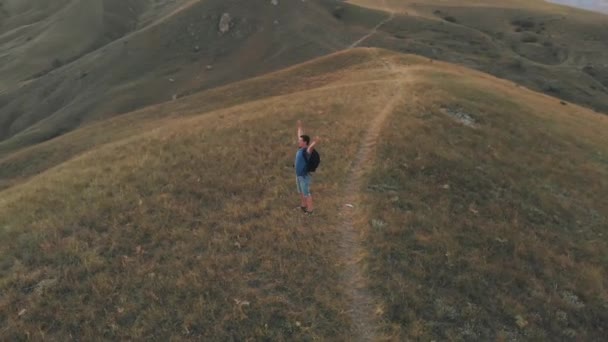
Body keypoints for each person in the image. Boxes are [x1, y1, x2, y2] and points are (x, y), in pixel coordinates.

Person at [295, 120, 320, 214]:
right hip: (298, 175)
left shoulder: (306, 151)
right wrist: (300, 127)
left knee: (306, 194)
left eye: (300, 141)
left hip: (304, 176)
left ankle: (310, 210)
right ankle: (303, 206)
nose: (298, 141)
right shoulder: (301, 149)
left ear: (305, 143)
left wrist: (315, 142)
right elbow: (300, 135)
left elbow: (311, 147)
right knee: (301, 192)